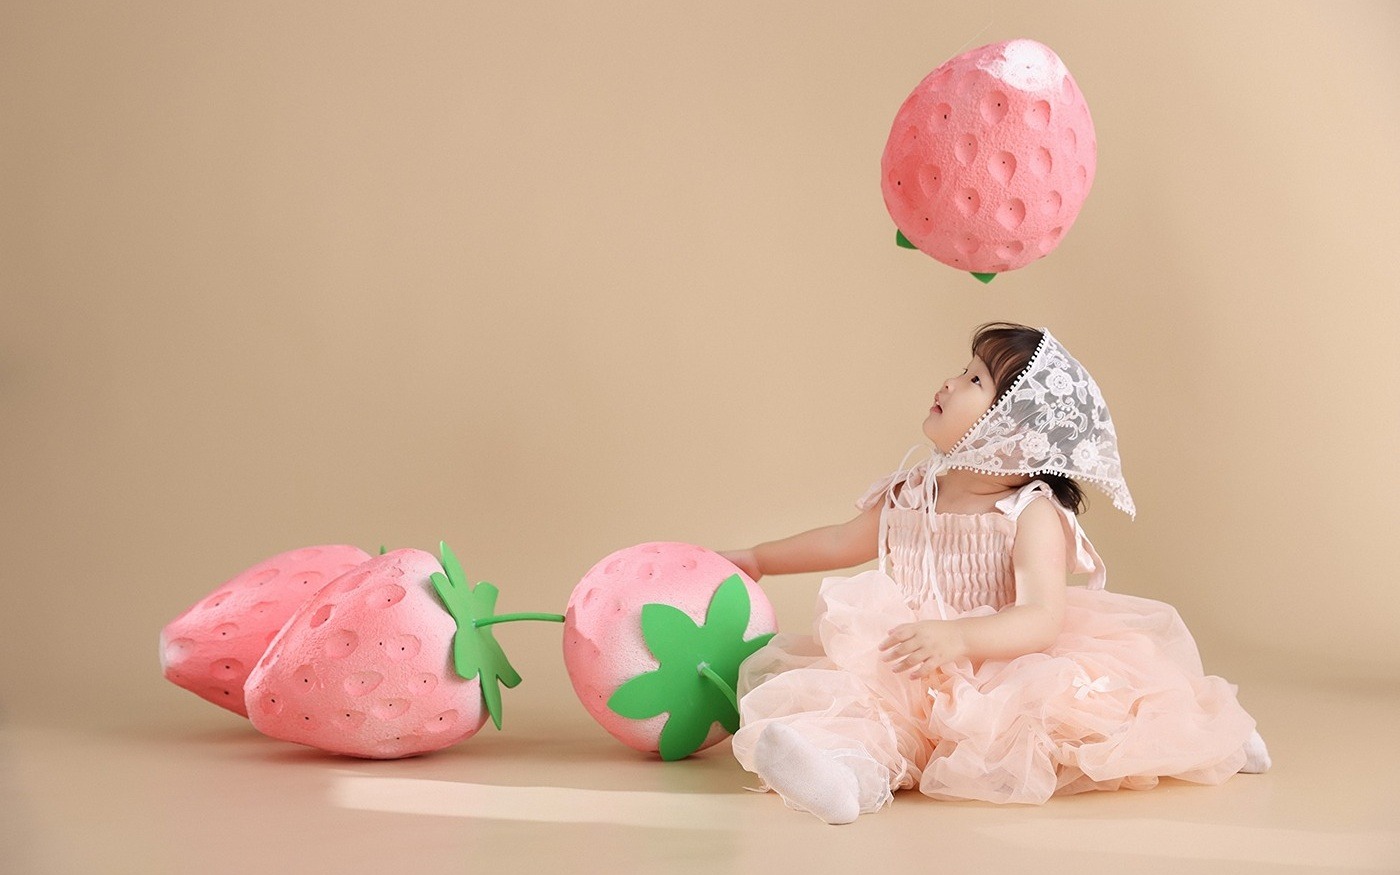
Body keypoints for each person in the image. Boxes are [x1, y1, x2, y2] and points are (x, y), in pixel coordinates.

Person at [720, 322, 1269, 824]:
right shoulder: (913, 490)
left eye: (975, 379)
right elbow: (840, 541)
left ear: (1013, 429)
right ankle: (842, 774)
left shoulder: (1028, 513)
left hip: (1001, 666)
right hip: (910, 659)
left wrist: (959, 637)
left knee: (1086, 722)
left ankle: (1211, 736)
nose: (951, 381)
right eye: (964, 371)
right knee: (868, 713)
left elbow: (1041, 617)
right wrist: (760, 559)